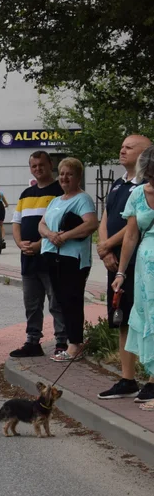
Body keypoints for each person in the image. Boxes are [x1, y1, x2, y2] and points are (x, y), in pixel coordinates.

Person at [98, 135, 153, 400]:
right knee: (123, 320)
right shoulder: (118, 184)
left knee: (148, 318)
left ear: (145, 154)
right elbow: (107, 216)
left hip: (141, 265)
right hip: (118, 262)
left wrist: (108, 244)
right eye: (122, 145)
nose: (122, 150)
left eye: (129, 147)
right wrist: (104, 248)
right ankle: (127, 378)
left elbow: (134, 228)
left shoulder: (146, 185)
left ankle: (151, 378)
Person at [39, 157, 98, 362]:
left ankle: (75, 344)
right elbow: (42, 224)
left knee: (72, 301)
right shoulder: (56, 200)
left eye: (69, 174)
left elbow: (91, 224)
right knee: (61, 302)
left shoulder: (82, 199)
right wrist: (50, 235)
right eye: (62, 173)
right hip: (53, 256)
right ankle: (70, 341)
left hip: (73, 259)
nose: (64, 178)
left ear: (78, 177)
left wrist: (63, 236)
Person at [9, 151, 67, 357]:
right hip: (28, 259)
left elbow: (62, 225)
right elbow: (16, 222)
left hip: (51, 257)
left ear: (50, 164)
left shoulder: (60, 191)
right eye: (34, 166)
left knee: (56, 301)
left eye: (41, 165)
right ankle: (33, 341)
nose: (38, 169)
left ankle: (62, 341)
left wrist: (39, 245)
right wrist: (19, 244)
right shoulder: (26, 194)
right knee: (32, 304)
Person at [112, 145, 154, 409]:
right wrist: (120, 272)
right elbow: (131, 235)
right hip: (145, 268)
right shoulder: (138, 194)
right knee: (148, 316)